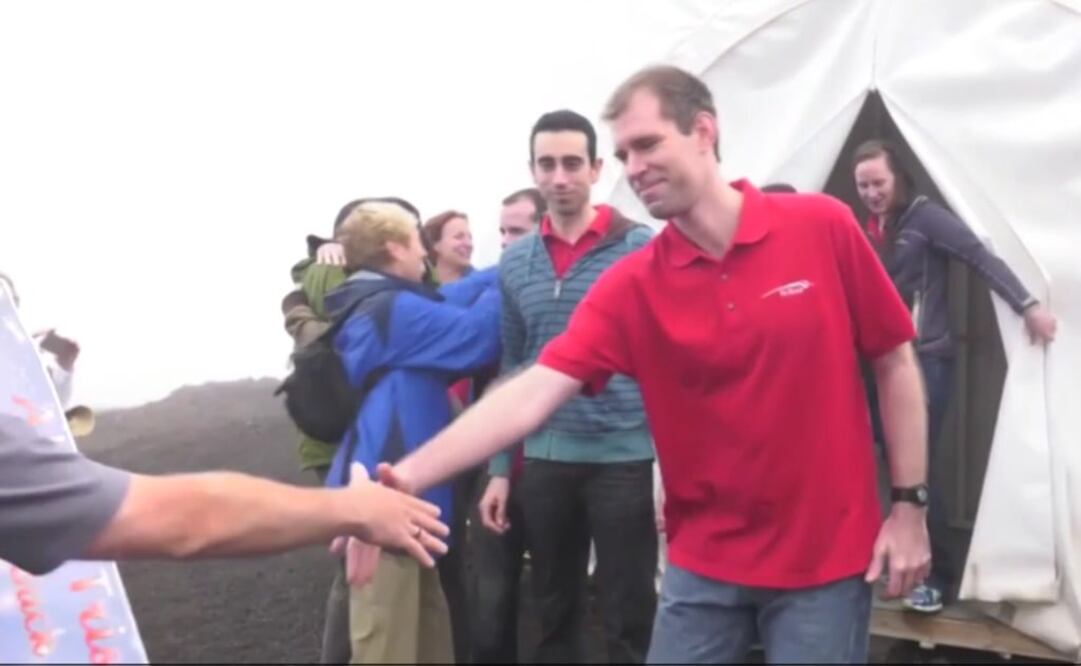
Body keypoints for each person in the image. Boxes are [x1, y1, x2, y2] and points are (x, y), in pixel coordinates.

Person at [374, 65, 933, 665]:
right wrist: (405, 476)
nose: (633, 168)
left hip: (824, 564)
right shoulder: (635, 284)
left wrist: (909, 506)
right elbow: (533, 388)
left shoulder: (819, 226)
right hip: (704, 568)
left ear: (703, 131)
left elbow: (894, 358)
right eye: (622, 154)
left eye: (646, 144)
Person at [476, 109, 658, 664]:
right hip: (546, 461)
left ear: (597, 168)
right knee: (554, 610)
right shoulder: (517, 264)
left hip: (623, 459)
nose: (560, 178)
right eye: (548, 164)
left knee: (630, 612)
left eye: (572, 164)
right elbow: (512, 367)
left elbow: (662, 362)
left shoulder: (639, 250)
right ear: (533, 170)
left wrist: (669, 470)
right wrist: (501, 471)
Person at [852, 139, 1058, 613]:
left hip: (926, 362)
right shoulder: (871, 226)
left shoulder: (925, 218)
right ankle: (901, 557)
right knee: (879, 458)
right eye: (863, 185)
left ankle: (939, 575)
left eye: (878, 182)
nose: (871, 192)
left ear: (898, 177)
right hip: (880, 363)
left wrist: (1027, 307)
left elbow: (979, 257)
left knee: (918, 470)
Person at [323, 200, 501, 664]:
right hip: (389, 500)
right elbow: (477, 337)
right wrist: (518, 278)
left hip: (396, 498)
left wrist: (509, 266)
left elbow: (448, 300)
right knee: (388, 643)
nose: (425, 253)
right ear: (392, 247)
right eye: (417, 242)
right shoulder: (394, 311)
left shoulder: (378, 303)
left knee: (422, 638)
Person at [280, 195, 425, 664]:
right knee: (360, 567)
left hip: (338, 435)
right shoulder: (346, 278)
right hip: (349, 436)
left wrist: (297, 302)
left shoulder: (322, 274)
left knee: (355, 563)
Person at [468, 187, 545, 664]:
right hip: (498, 461)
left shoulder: (567, 294)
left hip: (556, 460)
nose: (505, 240)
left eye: (517, 230)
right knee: (492, 600)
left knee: (558, 595)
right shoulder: (487, 288)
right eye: (501, 230)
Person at [424, 210, 475, 285]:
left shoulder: (486, 289)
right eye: (459, 237)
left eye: (470, 237)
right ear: (435, 245)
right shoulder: (419, 287)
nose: (469, 244)